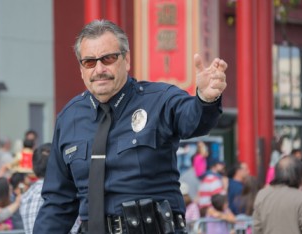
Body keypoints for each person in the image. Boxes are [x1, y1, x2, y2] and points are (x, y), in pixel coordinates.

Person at [33, 19, 227, 234]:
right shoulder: (69, 118)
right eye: (89, 62)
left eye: (108, 58)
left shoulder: (159, 100)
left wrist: (205, 100)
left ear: (126, 60)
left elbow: (193, 121)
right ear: (81, 69)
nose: (99, 69)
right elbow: (58, 202)